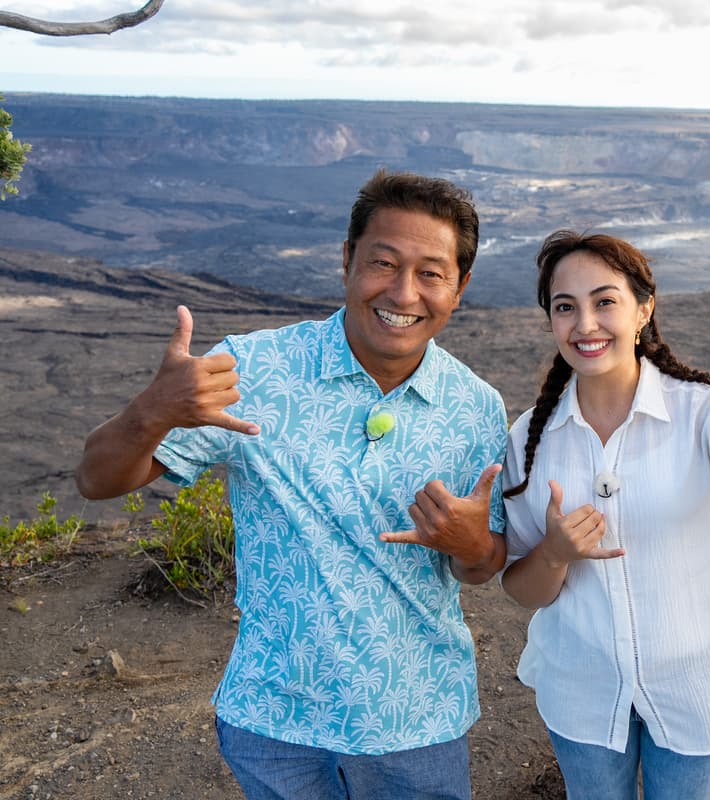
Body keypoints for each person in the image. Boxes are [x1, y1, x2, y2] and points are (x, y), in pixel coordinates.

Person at [75, 170, 508, 800]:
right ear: (346, 262)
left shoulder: (477, 408)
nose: (404, 292)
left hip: (416, 718)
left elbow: (482, 566)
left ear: (459, 287)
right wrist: (154, 410)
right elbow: (95, 480)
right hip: (276, 719)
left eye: (431, 273)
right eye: (382, 263)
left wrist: (471, 546)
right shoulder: (254, 369)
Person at [499, 230, 710, 800]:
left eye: (605, 301)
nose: (585, 324)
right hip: (582, 689)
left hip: (700, 688)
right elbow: (522, 590)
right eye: (566, 307)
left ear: (643, 309)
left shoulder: (708, 411)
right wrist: (554, 553)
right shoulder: (531, 440)